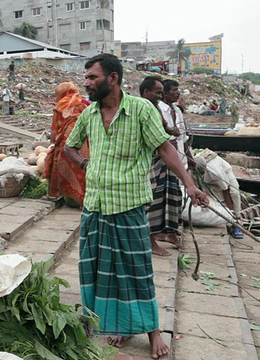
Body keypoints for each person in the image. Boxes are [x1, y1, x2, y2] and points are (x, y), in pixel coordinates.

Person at [63, 54, 207, 359]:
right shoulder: (89, 114)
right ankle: (113, 323)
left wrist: (190, 184)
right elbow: (69, 146)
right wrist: (86, 163)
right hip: (96, 205)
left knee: (136, 270)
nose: (86, 83)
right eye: (86, 77)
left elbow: (164, 147)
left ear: (112, 78)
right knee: (98, 268)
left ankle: (153, 331)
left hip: (128, 204)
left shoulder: (141, 110)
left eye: (92, 77)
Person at [148, 79, 194, 256]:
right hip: (160, 161)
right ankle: (156, 235)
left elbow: (183, 138)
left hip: (177, 159)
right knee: (157, 200)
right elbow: (162, 137)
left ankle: (170, 232)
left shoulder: (176, 111)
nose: (178, 93)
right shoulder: (156, 110)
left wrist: (190, 158)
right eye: (174, 90)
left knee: (175, 197)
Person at [42, 82, 88, 207]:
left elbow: (54, 129)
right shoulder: (83, 104)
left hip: (66, 143)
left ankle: (54, 195)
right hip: (84, 142)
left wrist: (54, 141)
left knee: (58, 166)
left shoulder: (61, 105)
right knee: (82, 169)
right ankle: (83, 200)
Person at [194, 149, 243, 239]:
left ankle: (237, 221)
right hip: (208, 179)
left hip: (225, 174)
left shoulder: (214, 171)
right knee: (215, 199)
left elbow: (226, 190)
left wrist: (230, 212)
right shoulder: (193, 165)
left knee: (234, 193)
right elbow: (198, 184)